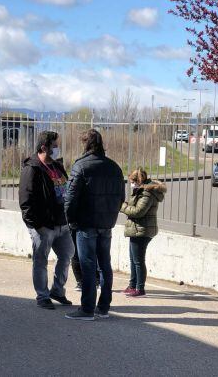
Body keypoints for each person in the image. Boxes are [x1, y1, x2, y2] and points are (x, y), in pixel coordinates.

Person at [64, 129, 125, 321]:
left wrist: (70, 220)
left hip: (86, 224)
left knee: (88, 265)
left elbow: (70, 198)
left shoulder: (81, 166)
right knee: (104, 265)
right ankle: (104, 307)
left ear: (85, 144)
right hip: (106, 224)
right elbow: (121, 197)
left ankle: (87, 309)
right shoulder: (114, 167)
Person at [19, 131, 75, 310]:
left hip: (62, 223)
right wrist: (36, 225)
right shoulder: (32, 168)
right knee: (41, 260)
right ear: (44, 147)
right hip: (44, 226)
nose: (58, 148)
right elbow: (25, 201)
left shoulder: (57, 166)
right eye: (55, 145)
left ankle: (57, 291)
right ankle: (42, 296)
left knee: (67, 254)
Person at [120, 168, 166, 297]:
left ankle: (140, 288)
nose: (131, 184)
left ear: (138, 181)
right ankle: (132, 285)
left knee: (138, 260)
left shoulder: (147, 194)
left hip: (142, 230)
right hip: (136, 229)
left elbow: (138, 211)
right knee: (133, 259)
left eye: (133, 182)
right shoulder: (140, 191)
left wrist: (122, 206)